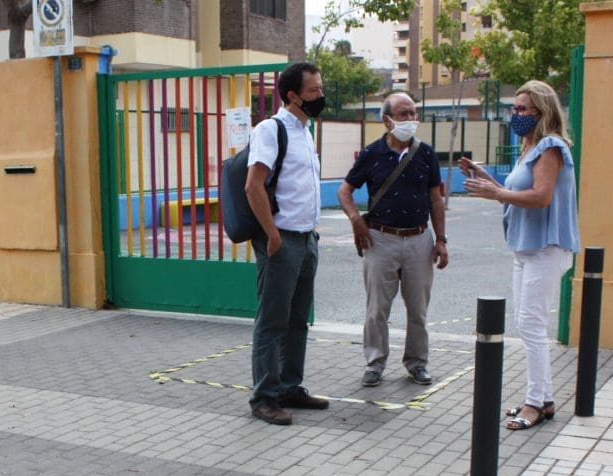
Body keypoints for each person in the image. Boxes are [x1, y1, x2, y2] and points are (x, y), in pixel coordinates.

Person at [460, 80, 580, 430]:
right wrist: (487, 180)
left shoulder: (550, 147)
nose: (516, 115)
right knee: (528, 324)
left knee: (531, 325)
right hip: (526, 248)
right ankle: (543, 399)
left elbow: (541, 196)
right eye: (515, 108)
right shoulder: (529, 147)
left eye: (523, 109)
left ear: (543, 112)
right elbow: (515, 189)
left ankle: (535, 403)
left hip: (546, 247)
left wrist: (495, 193)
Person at [337, 92, 449, 389]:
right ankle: (375, 364)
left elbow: (435, 199)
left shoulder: (425, 154)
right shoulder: (372, 154)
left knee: (418, 309)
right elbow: (344, 190)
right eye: (403, 114)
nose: (411, 119)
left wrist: (441, 240)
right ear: (387, 120)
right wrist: (354, 218)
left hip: (418, 240)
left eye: (413, 113)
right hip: (380, 240)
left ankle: (417, 363)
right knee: (377, 309)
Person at [246, 62, 328, 426]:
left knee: (298, 321)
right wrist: (273, 234)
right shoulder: (271, 129)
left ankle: (290, 387)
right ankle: (264, 397)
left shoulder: (306, 132)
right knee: (272, 322)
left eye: (320, 89)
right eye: (313, 91)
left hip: (307, 239)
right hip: (282, 241)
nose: (320, 96)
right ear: (292, 95)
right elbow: (254, 185)